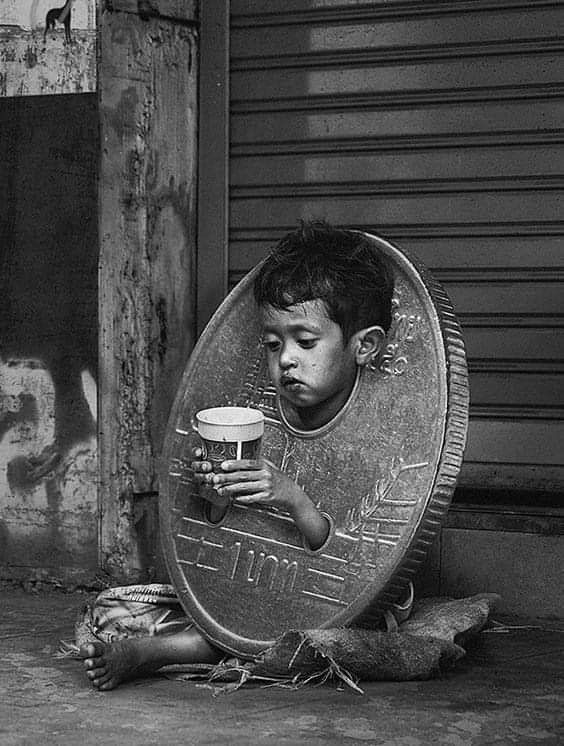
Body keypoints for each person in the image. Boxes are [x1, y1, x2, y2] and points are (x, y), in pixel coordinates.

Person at [80, 219, 395, 690]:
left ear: (364, 346)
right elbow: (214, 539)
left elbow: (355, 560)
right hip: (254, 582)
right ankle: (181, 644)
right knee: (111, 610)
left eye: (306, 342)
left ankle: (156, 652)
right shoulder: (254, 415)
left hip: (333, 600)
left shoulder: (384, 430)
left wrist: (292, 498)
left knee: (326, 642)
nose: (286, 359)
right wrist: (217, 495)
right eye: (273, 344)